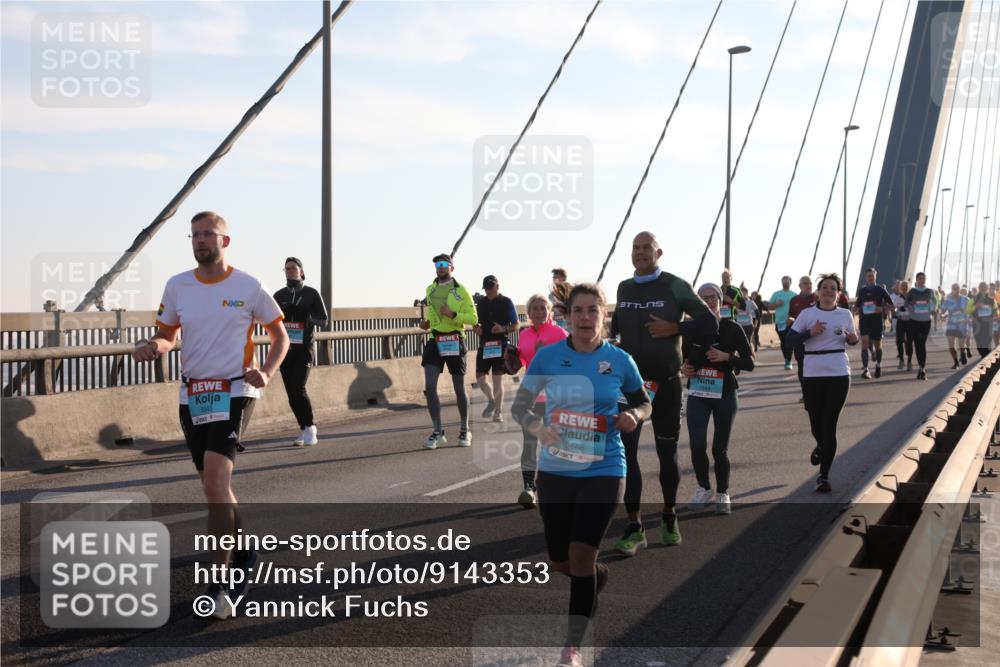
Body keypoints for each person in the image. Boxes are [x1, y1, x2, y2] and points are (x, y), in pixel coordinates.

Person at [133, 211, 289, 618]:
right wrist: (154, 346)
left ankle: (220, 581)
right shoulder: (178, 285)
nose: (200, 240)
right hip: (194, 395)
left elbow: (280, 336)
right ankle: (246, 552)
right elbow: (168, 336)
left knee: (215, 483)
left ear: (226, 240)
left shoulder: (248, 285)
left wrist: (267, 372)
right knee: (215, 486)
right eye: (195, 235)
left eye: (208, 234)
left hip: (236, 389)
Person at [511, 283, 651, 667]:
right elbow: (521, 408)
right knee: (561, 562)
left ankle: (572, 646)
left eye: (593, 311)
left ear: (604, 315)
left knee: (581, 554)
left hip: (604, 468)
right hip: (556, 468)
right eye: (578, 311)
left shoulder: (620, 360)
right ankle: (594, 576)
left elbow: (643, 400)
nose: (585, 318)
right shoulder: (547, 358)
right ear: (567, 316)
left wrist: (634, 416)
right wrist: (539, 429)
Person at [610, 232, 718, 555]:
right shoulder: (624, 288)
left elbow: (710, 323)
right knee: (626, 454)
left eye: (647, 248)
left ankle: (669, 515)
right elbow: (617, 330)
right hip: (631, 386)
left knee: (666, 454)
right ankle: (635, 526)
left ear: (659, 252)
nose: (640, 253)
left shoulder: (674, 285)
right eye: (635, 248)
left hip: (667, 383)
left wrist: (676, 329)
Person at [680, 283, 754, 515]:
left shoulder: (732, 328)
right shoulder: (690, 329)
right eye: (703, 298)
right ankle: (704, 487)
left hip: (725, 394)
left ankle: (723, 492)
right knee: (696, 445)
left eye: (713, 297)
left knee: (719, 449)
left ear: (721, 301)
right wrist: (684, 368)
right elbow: (681, 360)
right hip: (698, 393)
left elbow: (749, 363)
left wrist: (726, 356)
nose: (709, 301)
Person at [786, 273, 859, 493]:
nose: (829, 291)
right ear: (818, 292)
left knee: (829, 424)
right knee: (816, 424)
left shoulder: (845, 314)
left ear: (838, 293)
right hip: (813, 374)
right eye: (825, 287)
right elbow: (789, 340)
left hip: (838, 373)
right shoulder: (807, 314)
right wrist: (810, 332)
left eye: (833, 288)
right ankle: (821, 446)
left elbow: (852, 338)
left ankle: (823, 475)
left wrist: (851, 340)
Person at [514, 294, 569, 508]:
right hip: (531, 395)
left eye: (542, 308)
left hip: (555, 396)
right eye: (534, 308)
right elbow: (520, 363)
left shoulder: (559, 333)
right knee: (529, 442)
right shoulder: (524, 335)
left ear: (550, 312)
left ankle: (557, 487)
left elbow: (570, 360)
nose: (538, 311)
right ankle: (529, 487)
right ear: (528, 313)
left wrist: (546, 356)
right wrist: (511, 357)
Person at [419, 253, 478, 449]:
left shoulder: (461, 290)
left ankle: (464, 430)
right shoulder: (430, 289)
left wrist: (452, 314)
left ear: (452, 267)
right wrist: (426, 323)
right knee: (430, 386)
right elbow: (432, 316)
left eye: (444, 264)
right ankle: (437, 431)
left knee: (459, 388)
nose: (441, 267)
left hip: (454, 339)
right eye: (437, 264)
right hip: (434, 340)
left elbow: (473, 318)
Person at [273, 257, 329, 446]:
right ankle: (303, 428)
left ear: (301, 271)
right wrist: (280, 315)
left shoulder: (311, 293)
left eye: (293, 268)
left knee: (299, 387)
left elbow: (324, 320)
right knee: (291, 392)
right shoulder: (279, 295)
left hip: (304, 348)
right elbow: (269, 320)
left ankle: (311, 427)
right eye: (287, 268)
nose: (290, 271)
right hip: (284, 349)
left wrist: (307, 317)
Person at [473, 275, 519, 422]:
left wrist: (503, 328)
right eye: (486, 288)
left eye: (491, 287)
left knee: (497, 379)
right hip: (485, 344)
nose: (488, 291)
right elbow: (475, 322)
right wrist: (476, 328)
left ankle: (498, 411)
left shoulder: (506, 302)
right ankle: (491, 400)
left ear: (497, 287)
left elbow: (516, 324)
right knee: (480, 378)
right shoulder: (481, 303)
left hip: (501, 344)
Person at [854, 268, 894, 379]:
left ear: (875, 276)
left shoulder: (880, 290)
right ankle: (866, 369)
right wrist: (857, 309)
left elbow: (891, 305)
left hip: (876, 321)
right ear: (865, 277)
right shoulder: (862, 291)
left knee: (877, 345)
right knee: (864, 343)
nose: (870, 277)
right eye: (868, 276)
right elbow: (857, 305)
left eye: (872, 275)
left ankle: (878, 365)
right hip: (864, 321)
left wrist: (881, 308)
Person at [904, 272, 934, 379]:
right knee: (917, 345)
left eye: (924, 278)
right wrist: (912, 308)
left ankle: (923, 368)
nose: (922, 280)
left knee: (922, 344)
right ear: (916, 280)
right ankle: (921, 368)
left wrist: (931, 308)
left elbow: (935, 304)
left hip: (926, 321)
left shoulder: (930, 291)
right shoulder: (912, 291)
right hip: (914, 320)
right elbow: (906, 304)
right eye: (920, 278)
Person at [768, 276, 797, 370]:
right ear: (781, 282)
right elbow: (768, 307)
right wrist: (776, 304)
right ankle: (787, 359)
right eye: (784, 281)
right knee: (783, 341)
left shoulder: (794, 295)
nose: (785, 282)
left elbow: (797, 308)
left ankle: (788, 361)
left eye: (787, 281)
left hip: (791, 321)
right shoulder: (776, 294)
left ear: (790, 282)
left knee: (789, 341)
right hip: (779, 322)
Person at [967, 281, 998, 358]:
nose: (983, 289)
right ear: (979, 288)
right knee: (978, 342)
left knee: (987, 341)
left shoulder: (991, 300)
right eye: (981, 287)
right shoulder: (973, 299)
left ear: (987, 289)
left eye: (985, 288)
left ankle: (986, 357)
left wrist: (992, 311)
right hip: (977, 323)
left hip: (988, 324)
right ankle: (985, 355)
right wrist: (975, 307)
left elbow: (996, 311)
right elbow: (967, 310)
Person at [942, 283, 970, 368]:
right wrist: (942, 315)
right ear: (951, 289)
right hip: (951, 325)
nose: (955, 290)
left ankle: (963, 353)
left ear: (959, 289)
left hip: (962, 325)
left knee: (961, 345)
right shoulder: (948, 300)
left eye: (957, 288)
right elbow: (943, 311)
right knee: (951, 346)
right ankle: (956, 362)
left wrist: (967, 315)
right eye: (954, 288)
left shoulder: (966, 299)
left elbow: (970, 311)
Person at [891, 280, 912, 371]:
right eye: (902, 286)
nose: (904, 288)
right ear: (900, 288)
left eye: (906, 286)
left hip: (910, 322)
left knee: (909, 342)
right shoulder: (897, 298)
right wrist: (896, 312)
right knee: (899, 341)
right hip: (900, 321)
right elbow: (893, 308)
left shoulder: (912, 297)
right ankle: (901, 360)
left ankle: (909, 362)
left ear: (908, 287)